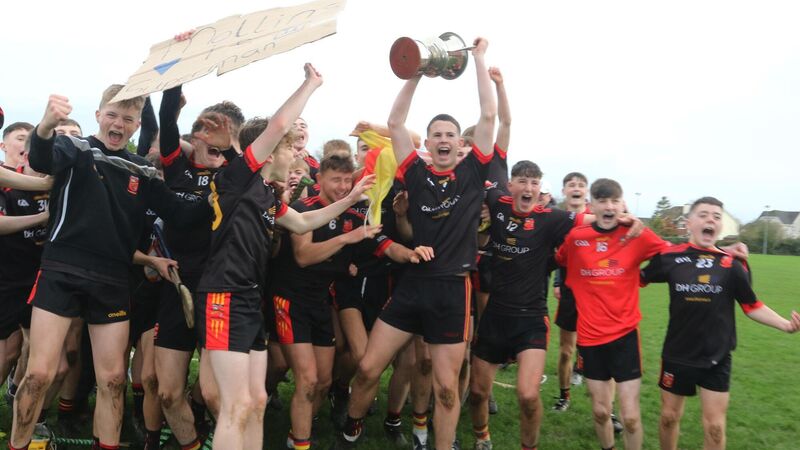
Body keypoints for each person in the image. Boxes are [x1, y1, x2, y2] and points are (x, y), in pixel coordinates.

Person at [9, 86, 212, 450]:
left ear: (136, 125)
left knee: (114, 379)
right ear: (99, 115)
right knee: (38, 373)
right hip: (62, 270)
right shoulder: (75, 148)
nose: (119, 124)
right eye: (113, 115)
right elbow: (41, 158)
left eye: (128, 118)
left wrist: (222, 192)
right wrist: (46, 125)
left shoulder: (143, 170)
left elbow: (180, 214)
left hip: (113, 279)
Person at [193, 63, 378, 450]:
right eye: (288, 148)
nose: (294, 154)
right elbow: (277, 125)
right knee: (236, 406)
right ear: (266, 153)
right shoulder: (239, 178)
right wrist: (310, 85)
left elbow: (303, 221)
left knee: (257, 400)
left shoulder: (265, 194)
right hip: (224, 296)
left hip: (248, 299)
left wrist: (349, 198)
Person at [333, 37, 496, 450]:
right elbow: (395, 121)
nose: (443, 139)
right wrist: (417, 72)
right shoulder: (416, 173)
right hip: (413, 285)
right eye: (436, 134)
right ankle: (351, 428)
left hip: (452, 291)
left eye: (450, 135)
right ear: (429, 141)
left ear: (460, 144)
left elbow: (488, 113)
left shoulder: (473, 173)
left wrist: (479, 59)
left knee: (446, 389)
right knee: (368, 368)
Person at [640, 196, 800, 450]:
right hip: (677, 354)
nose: (710, 220)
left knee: (715, 428)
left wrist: (785, 325)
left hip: (716, 356)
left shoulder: (732, 264)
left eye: (716, 217)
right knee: (669, 417)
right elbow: (636, 279)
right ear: (689, 223)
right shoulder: (670, 258)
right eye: (703, 215)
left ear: (720, 226)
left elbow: (752, 305)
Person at [469, 160, 586, 450]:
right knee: (478, 392)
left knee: (528, 395)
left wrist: (622, 217)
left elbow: (589, 220)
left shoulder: (550, 218)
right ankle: (482, 437)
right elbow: (469, 177)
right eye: (522, 181)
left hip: (531, 319)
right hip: (495, 316)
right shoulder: (497, 203)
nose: (528, 188)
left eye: (534, 183)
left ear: (539, 188)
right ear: (510, 185)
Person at [556, 178, 669, 450]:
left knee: (630, 417)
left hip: (625, 336)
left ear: (622, 204)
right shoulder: (577, 238)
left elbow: (672, 255)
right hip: (590, 338)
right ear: (592, 205)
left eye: (615, 201)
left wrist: (643, 275)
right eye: (603, 201)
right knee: (600, 411)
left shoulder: (636, 234)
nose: (609, 206)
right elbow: (559, 259)